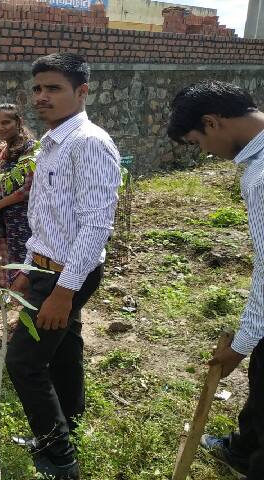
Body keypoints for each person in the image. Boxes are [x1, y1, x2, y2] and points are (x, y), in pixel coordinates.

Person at [5, 53, 121, 480]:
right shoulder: (51, 143)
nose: (42, 97)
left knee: (24, 362)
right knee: (66, 345)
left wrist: (63, 290)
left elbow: (96, 225)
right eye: (37, 88)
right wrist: (27, 266)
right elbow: (48, 217)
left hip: (68, 273)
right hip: (45, 266)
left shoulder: (88, 142)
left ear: (82, 92)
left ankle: (59, 457)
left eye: (53, 88)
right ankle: (68, 422)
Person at [168, 80, 264, 479]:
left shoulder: (260, 176)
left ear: (212, 122)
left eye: (197, 141)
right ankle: (243, 451)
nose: (205, 152)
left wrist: (241, 344)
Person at [0, 104, 38, 288]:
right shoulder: (2, 151)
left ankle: (31, 310)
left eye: (6, 122)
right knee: (10, 264)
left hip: (24, 220)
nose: (0, 127)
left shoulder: (30, 150)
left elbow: (27, 189)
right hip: (7, 220)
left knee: (25, 267)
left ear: (19, 122)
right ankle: (22, 310)